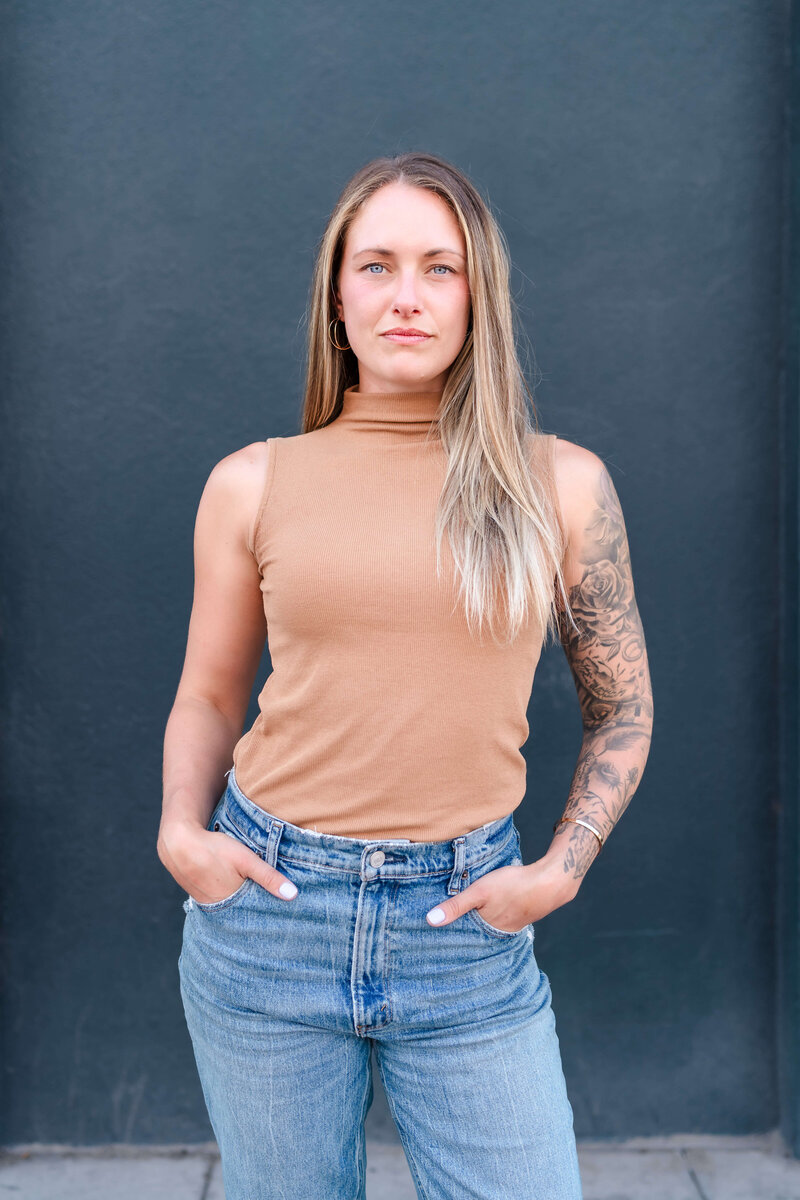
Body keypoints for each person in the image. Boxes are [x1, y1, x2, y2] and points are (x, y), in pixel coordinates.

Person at [157, 150, 654, 1200]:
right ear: (336, 300)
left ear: (479, 298)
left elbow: (621, 709)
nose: (405, 297)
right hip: (268, 916)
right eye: (374, 266)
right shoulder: (250, 485)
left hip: (463, 926)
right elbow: (208, 693)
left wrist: (561, 868)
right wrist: (179, 835)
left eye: (439, 268)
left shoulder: (559, 486)